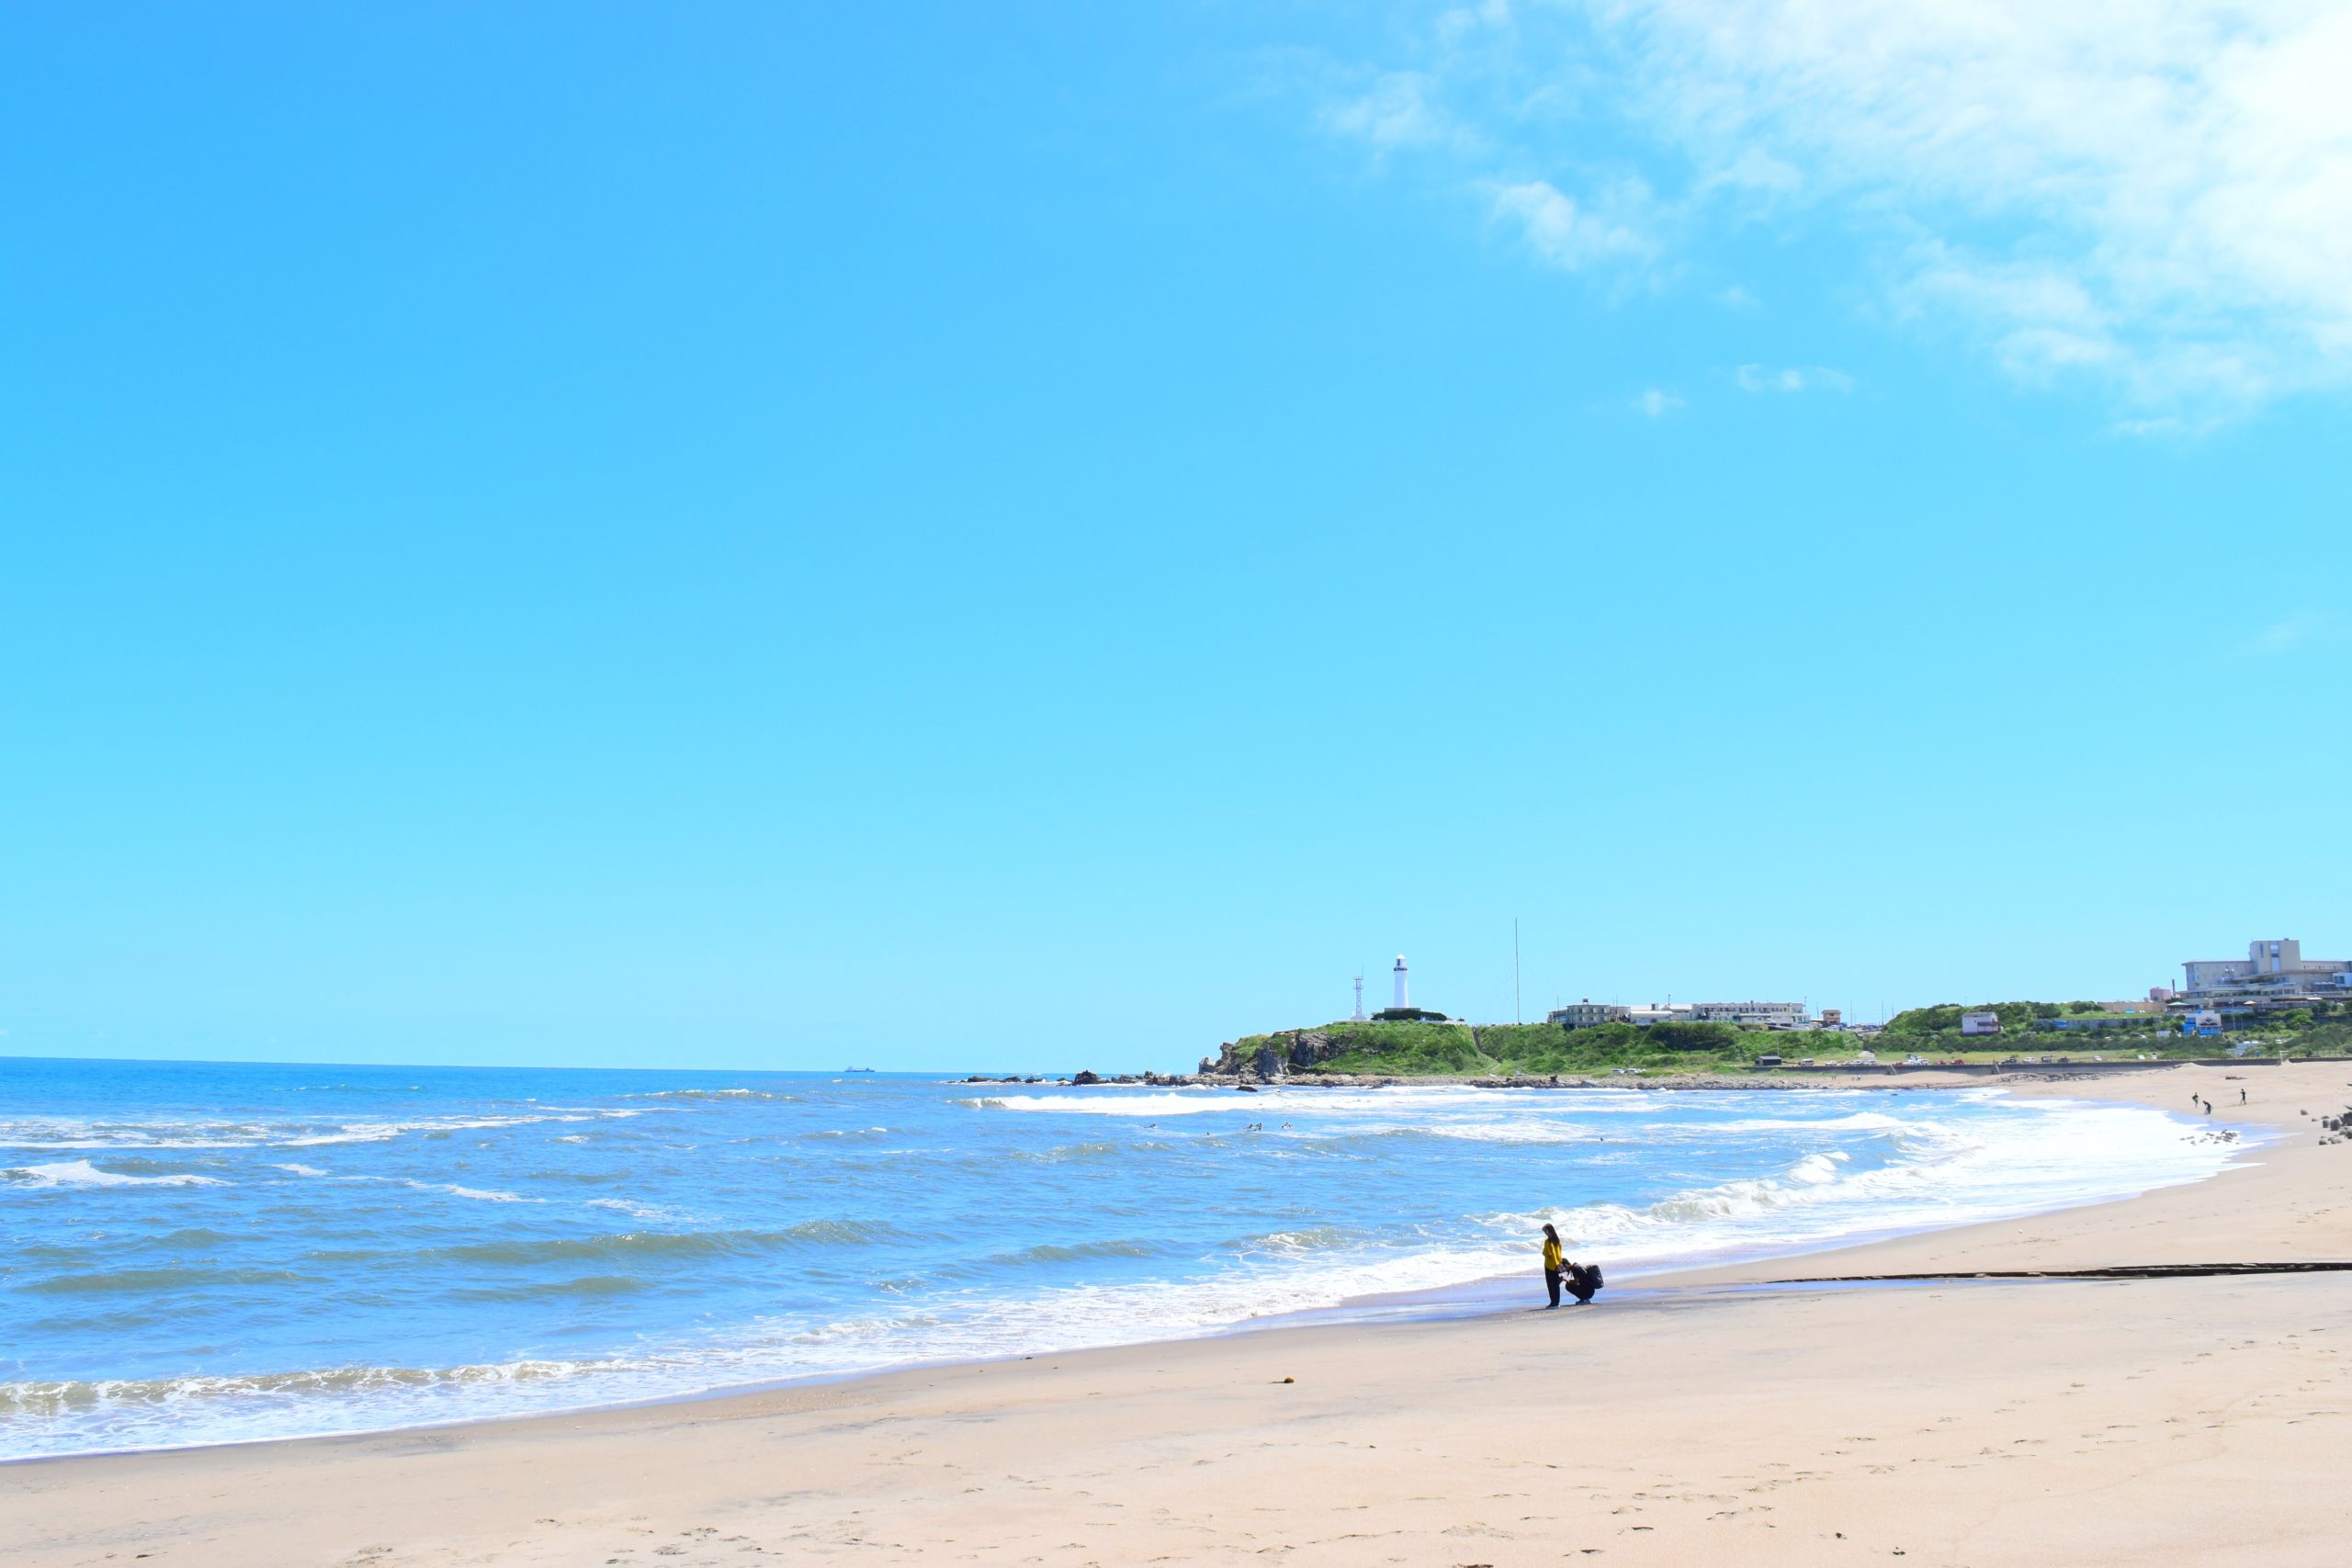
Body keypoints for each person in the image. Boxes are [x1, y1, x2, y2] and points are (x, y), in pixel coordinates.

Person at [1541, 1224, 1566, 1309]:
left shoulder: (1547, 1241)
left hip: (1549, 1265)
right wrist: (1558, 1263)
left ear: (1548, 1231)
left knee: (1550, 1285)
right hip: (1557, 1265)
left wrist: (1543, 1252)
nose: (1545, 1233)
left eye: (1545, 1231)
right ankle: (1557, 1302)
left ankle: (1553, 1303)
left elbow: (1548, 1253)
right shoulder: (1557, 1241)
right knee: (1556, 1284)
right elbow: (1559, 1254)